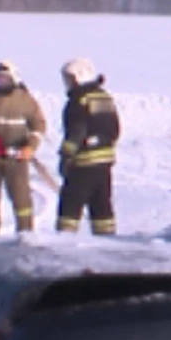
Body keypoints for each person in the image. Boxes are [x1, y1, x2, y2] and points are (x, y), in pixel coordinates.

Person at [0, 60, 46, 234]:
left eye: (4, 78)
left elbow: (38, 125)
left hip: (16, 159)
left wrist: (30, 147)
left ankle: (25, 235)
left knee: (21, 201)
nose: (0, 81)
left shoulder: (25, 100)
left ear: (13, 78)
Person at [57, 57, 120, 235]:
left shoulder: (78, 100)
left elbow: (76, 131)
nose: (67, 83)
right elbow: (115, 129)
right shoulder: (105, 97)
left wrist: (66, 155)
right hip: (105, 162)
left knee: (70, 205)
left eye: (69, 78)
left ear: (79, 77)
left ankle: (64, 243)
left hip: (83, 163)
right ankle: (107, 243)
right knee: (101, 205)